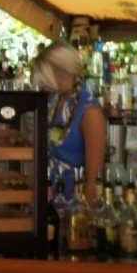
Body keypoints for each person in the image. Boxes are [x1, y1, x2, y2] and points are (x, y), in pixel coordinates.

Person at [35, 41, 105, 201]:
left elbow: (94, 180)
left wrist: (84, 220)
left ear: (64, 73)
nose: (43, 83)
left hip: (72, 205)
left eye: (46, 77)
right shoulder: (53, 103)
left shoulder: (90, 113)